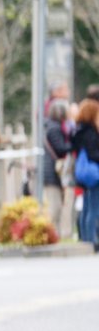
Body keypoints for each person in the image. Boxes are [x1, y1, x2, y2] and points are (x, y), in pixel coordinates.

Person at [43, 99, 74, 238]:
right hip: (53, 171)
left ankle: (56, 234)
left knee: (58, 205)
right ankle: (51, 234)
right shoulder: (54, 128)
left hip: (55, 171)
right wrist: (75, 143)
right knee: (54, 206)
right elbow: (61, 148)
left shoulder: (55, 126)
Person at [73, 99, 99, 249]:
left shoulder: (79, 130)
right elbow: (93, 154)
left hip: (84, 173)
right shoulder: (89, 132)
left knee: (87, 207)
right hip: (94, 173)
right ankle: (91, 240)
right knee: (93, 208)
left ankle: (85, 238)